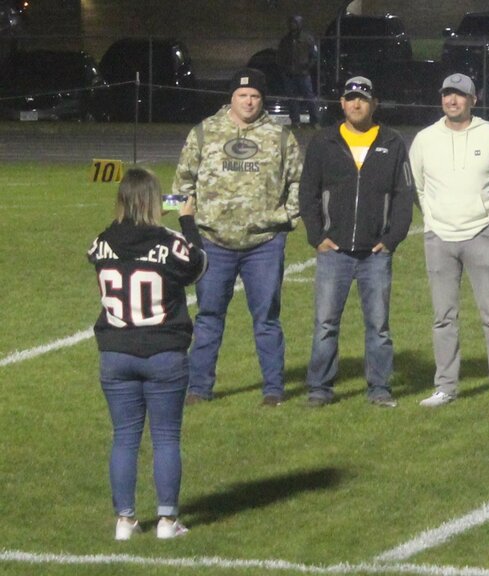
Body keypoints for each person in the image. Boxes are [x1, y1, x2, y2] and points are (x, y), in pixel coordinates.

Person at [88, 168, 207, 540]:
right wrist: (187, 220)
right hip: (162, 351)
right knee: (166, 437)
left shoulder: (101, 241)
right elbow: (198, 264)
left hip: (116, 351)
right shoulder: (169, 241)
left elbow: (102, 249)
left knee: (124, 436)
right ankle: (167, 521)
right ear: (156, 202)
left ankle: (124, 520)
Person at [173, 68, 302, 407]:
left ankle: (273, 389)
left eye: (256, 96)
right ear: (231, 97)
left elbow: (299, 182)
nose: (249, 101)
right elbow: (181, 185)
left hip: (264, 243)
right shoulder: (204, 132)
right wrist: (192, 228)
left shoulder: (280, 136)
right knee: (209, 316)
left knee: (267, 319)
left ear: (263, 100)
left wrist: (287, 216)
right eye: (243, 95)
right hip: (214, 242)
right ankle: (199, 389)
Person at [298, 76, 415, 407]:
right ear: (342, 104)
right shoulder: (324, 142)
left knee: (378, 326)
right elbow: (307, 192)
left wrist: (392, 239)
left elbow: (404, 196)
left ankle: (379, 388)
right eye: (350, 98)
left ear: (374, 103)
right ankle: (320, 387)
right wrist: (317, 236)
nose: (356, 103)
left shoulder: (392, 143)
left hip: (375, 254)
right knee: (325, 324)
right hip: (333, 251)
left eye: (363, 98)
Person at [409, 73, 489, 409]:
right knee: (443, 316)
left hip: (481, 234)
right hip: (439, 237)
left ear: (474, 99)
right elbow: (418, 186)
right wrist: (433, 218)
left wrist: (486, 219)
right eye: (447, 95)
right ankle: (445, 387)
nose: (452, 100)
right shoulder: (425, 139)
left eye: (459, 95)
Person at [277, 14, 320, 126]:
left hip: (303, 74)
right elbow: (280, 56)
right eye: (291, 23)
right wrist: (283, 69)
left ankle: (314, 121)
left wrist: (307, 67)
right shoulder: (286, 40)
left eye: (295, 23)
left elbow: (314, 55)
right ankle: (295, 121)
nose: (292, 25)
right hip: (289, 74)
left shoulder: (307, 39)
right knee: (292, 99)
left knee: (309, 98)